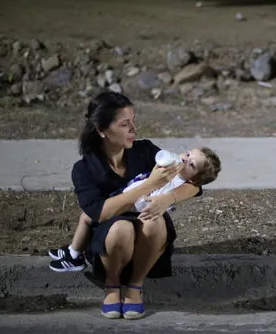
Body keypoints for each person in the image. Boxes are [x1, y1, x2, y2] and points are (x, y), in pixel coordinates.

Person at [49, 90, 221, 320]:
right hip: (109, 245)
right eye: (124, 124)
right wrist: (150, 184)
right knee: (121, 228)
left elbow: (193, 185)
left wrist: (165, 199)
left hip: (148, 246)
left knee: (154, 221)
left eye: (134, 121)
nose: (134, 129)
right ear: (102, 130)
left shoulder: (145, 150)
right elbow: (99, 213)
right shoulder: (84, 170)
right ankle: (112, 286)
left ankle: (134, 287)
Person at [48, 146, 221, 271]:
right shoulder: (173, 168)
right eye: (188, 153)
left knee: (87, 217)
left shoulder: (176, 182)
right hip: (125, 195)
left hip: (131, 205)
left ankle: (74, 255)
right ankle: (73, 250)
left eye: (191, 164)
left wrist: (132, 202)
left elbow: (152, 199)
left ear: (194, 179)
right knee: (87, 216)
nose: (185, 159)